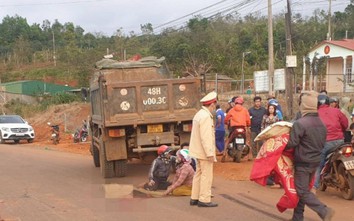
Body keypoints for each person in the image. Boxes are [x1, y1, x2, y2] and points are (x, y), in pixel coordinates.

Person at [286, 91, 335, 221]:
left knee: (301, 191)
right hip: (315, 162)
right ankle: (297, 217)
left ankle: (324, 210)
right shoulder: (321, 123)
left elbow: (292, 143)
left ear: (304, 106)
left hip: (303, 162)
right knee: (303, 190)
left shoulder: (300, 123)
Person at [189, 91, 218, 207]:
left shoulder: (199, 114)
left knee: (198, 174)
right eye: (214, 105)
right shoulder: (206, 117)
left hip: (197, 151)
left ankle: (194, 198)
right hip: (204, 152)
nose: (214, 108)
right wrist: (210, 153)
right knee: (206, 176)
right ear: (211, 105)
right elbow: (206, 137)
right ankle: (204, 199)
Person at [313, 94, 348, 191]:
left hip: (325, 143)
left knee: (318, 164)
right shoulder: (337, 111)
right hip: (340, 142)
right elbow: (345, 124)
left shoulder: (315, 114)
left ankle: (314, 187)